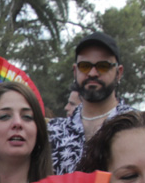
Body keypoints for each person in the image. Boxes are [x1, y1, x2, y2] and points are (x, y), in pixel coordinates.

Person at [48, 31, 134, 175]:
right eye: (85, 66)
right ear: (75, 71)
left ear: (119, 73)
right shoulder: (53, 132)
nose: (93, 73)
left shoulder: (138, 126)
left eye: (103, 66)